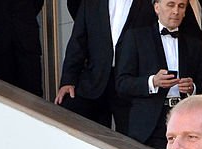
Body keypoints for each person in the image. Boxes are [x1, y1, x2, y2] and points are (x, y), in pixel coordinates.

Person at [116, 0, 202, 149]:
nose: (176, 11)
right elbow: (122, 83)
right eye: (170, 5)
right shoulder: (136, 37)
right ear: (156, 7)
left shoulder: (195, 44)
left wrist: (192, 88)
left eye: (181, 6)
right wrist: (152, 82)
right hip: (149, 124)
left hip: (185, 119)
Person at [56, 0, 155, 132]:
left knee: (131, 140)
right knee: (69, 113)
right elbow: (77, 42)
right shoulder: (91, 3)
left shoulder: (150, 4)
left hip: (130, 83)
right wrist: (68, 81)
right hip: (94, 80)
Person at [0, 0, 45, 96]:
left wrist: (22, 18)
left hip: (26, 37)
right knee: (2, 96)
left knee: (33, 96)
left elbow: (37, 3)